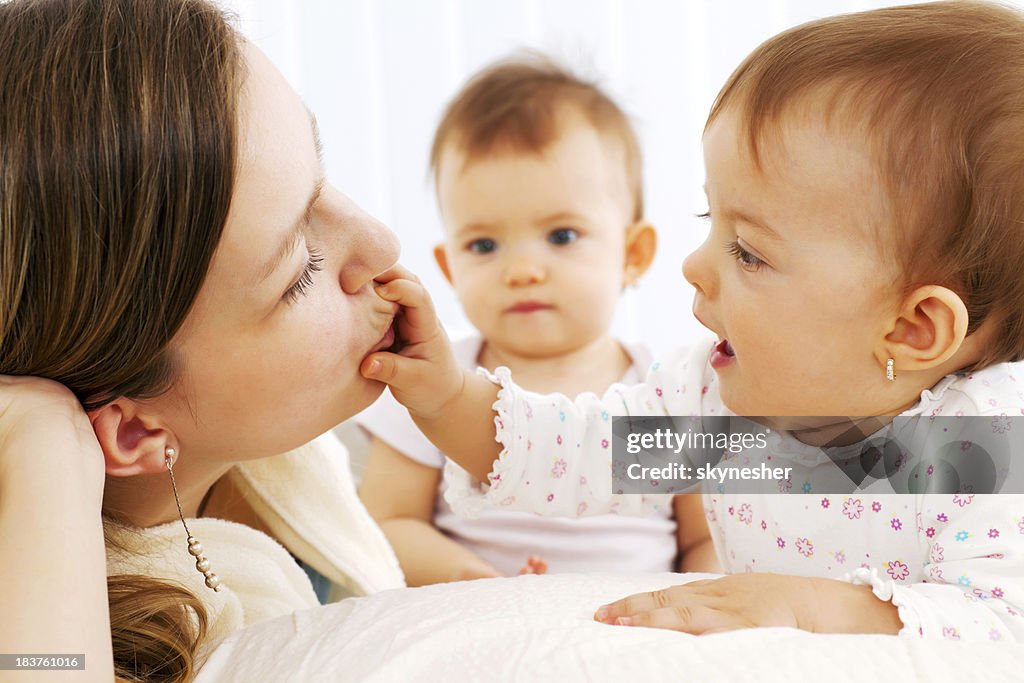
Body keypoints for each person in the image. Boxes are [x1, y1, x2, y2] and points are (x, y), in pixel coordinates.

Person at [362, 0, 1024, 641]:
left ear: (911, 329)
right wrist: (448, 393)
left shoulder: (981, 443)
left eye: (749, 251)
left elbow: (1001, 623)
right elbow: (561, 451)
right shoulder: (710, 413)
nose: (691, 266)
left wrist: (808, 604)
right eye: (713, 222)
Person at [0, 1, 406, 680]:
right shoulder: (78, 631)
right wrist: (42, 438)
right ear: (131, 432)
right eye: (299, 269)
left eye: (320, 178)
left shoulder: (283, 447)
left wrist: (643, 470)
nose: (381, 243)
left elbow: (591, 441)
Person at [358, 54, 717, 585]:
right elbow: (387, 522)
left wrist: (707, 596)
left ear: (632, 253)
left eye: (561, 236)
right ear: (449, 267)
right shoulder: (428, 382)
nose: (522, 270)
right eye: (484, 244)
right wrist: (468, 577)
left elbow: (703, 539)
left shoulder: (668, 391)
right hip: (484, 619)